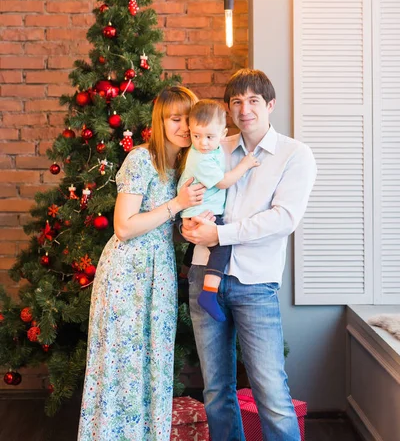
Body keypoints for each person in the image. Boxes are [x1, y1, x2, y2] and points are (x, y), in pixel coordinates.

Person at [182, 69, 317, 441]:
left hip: (255, 283)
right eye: (236, 101)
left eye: (253, 100)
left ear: (270, 105)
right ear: (228, 109)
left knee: (271, 392)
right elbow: (192, 196)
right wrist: (188, 226)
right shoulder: (214, 146)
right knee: (215, 392)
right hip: (203, 274)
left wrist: (220, 233)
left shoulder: (295, 155)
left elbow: (284, 218)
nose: (245, 109)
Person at [78, 86, 205, 441]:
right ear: (160, 121)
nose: (182, 127)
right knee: (121, 364)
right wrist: (178, 205)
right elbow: (124, 226)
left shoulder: (183, 166)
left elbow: (164, 230)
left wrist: (190, 228)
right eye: (174, 119)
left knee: (153, 362)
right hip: (125, 275)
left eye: (187, 119)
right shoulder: (141, 159)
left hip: (159, 274)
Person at [177, 99, 259, 322]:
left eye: (209, 137)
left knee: (199, 243)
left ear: (222, 134)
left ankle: (184, 274)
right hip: (199, 212)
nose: (202, 143)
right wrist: (245, 164)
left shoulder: (212, 150)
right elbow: (223, 182)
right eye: (196, 136)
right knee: (222, 245)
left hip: (200, 210)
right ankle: (209, 294)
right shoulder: (199, 158)